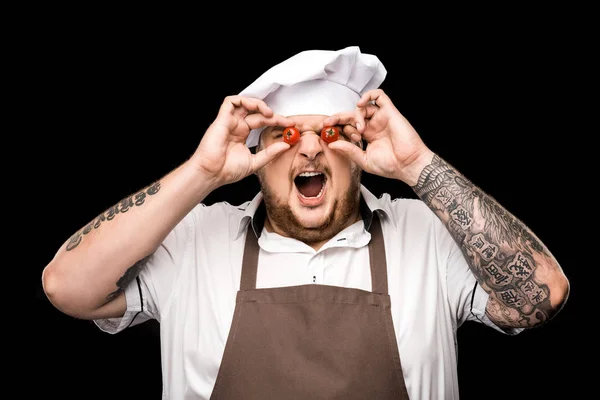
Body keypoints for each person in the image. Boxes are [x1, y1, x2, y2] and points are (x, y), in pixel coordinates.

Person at [41, 46, 570, 399]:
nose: (313, 149)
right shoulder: (194, 244)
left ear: (360, 148)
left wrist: (417, 165)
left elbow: (542, 295)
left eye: (333, 132)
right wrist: (202, 172)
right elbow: (67, 287)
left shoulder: (426, 237)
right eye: (288, 136)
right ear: (256, 154)